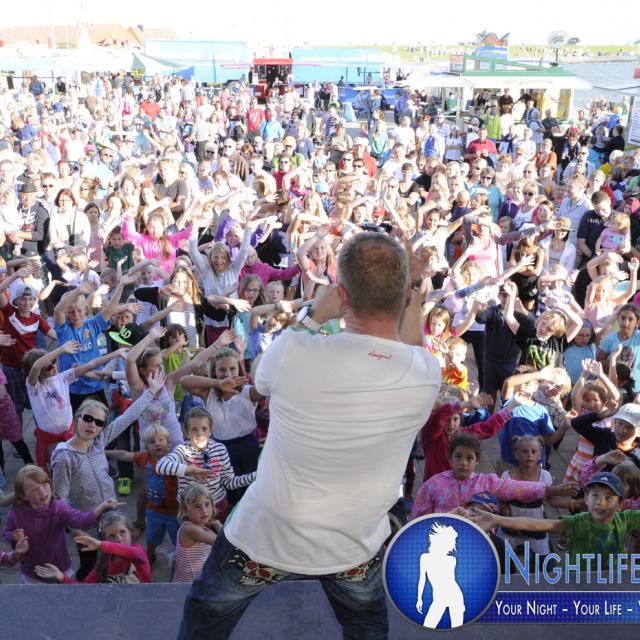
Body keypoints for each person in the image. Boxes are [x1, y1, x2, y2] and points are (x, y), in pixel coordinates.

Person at [177, 232, 441, 640]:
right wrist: (415, 290)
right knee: (367, 631)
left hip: (265, 537)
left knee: (204, 616)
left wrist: (313, 314)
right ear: (403, 294)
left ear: (342, 296)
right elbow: (409, 348)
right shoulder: (424, 373)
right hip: (354, 545)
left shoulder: (295, 350)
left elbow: (259, 379)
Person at [471, 471, 640, 571]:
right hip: (577, 584)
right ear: (586, 500)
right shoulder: (578, 523)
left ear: (621, 505)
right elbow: (535, 524)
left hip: (612, 581)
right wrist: (496, 519)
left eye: (609, 497)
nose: (600, 502)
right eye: (595, 495)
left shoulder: (627, 519)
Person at [35, 510, 152, 584]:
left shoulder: (138, 552)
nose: (119, 539)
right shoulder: (103, 565)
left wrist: (101, 545)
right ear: (105, 539)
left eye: (122, 532)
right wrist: (61, 577)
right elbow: (85, 588)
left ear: (130, 532)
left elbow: (132, 552)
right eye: (111, 536)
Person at [173, 484, 222, 584]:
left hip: (199, 580)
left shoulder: (202, 527)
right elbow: (223, 543)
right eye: (197, 506)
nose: (204, 510)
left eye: (207, 504)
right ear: (186, 510)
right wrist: (219, 526)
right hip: (189, 585)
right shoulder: (190, 530)